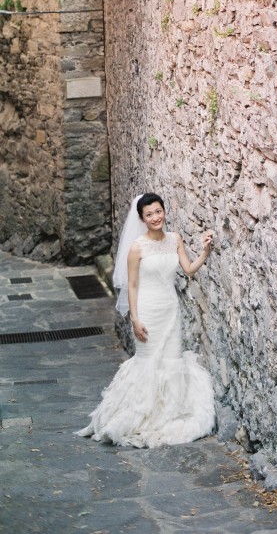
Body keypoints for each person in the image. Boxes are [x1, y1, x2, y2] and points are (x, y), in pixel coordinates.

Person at [76, 192, 215, 448]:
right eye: (149, 214)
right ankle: (138, 414)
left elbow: (188, 269)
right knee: (148, 362)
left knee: (171, 361)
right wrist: (135, 319)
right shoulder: (137, 247)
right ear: (142, 218)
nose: (155, 217)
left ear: (165, 210)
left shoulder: (175, 239)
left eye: (158, 211)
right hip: (148, 312)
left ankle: (170, 414)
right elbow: (132, 285)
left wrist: (205, 251)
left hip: (171, 310)